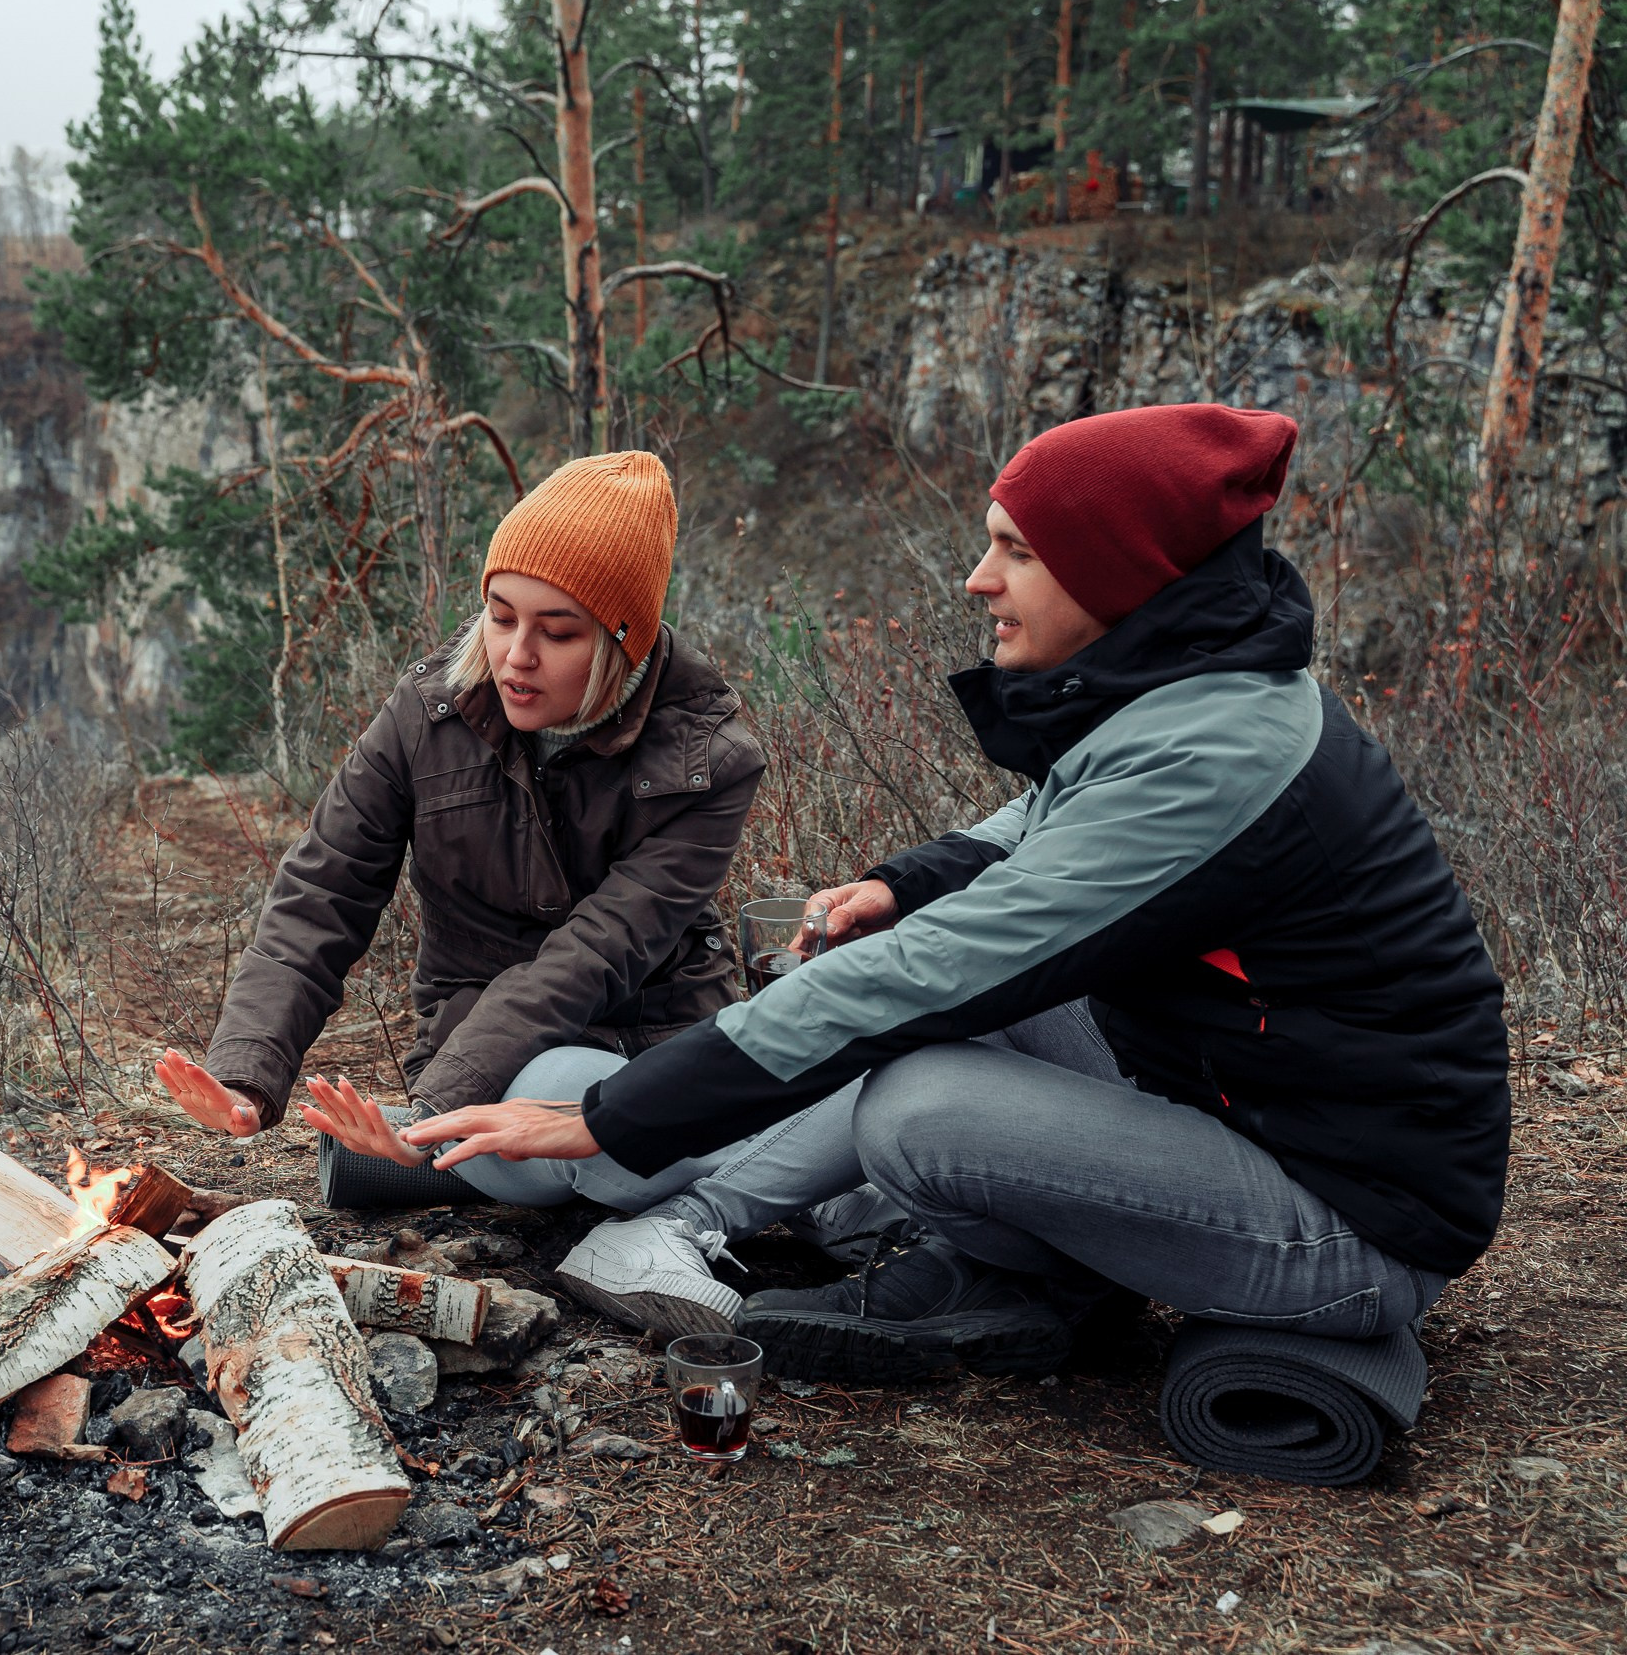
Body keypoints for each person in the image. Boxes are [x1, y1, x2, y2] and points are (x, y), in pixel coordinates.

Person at [402, 404, 1510, 1382]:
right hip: (1240, 1098)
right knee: (893, 963)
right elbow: (1038, 823)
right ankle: (999, 1266)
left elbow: (927, 980)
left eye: (1014, 553)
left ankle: (991, 1271)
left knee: (916, 1105)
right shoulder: (1199, 692)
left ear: (1115, 570)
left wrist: (607, 1119)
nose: (979, 581)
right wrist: (897, 883)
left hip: (1352, 1231)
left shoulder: (1213, 757)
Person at [154, 451, 867, 1336]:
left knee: (581, 1092)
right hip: (483, 1079)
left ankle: (719, 1188)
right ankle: (800, 1183)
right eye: (499, 617)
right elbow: (321, 894)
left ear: (624, 639)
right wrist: (245, 1076)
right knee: (548, 1096)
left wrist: (428, 1114)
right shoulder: (427, 715)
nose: (515, 656)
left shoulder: (709, 759)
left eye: (558, 632)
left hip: (647, 1056)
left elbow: (598, 950)